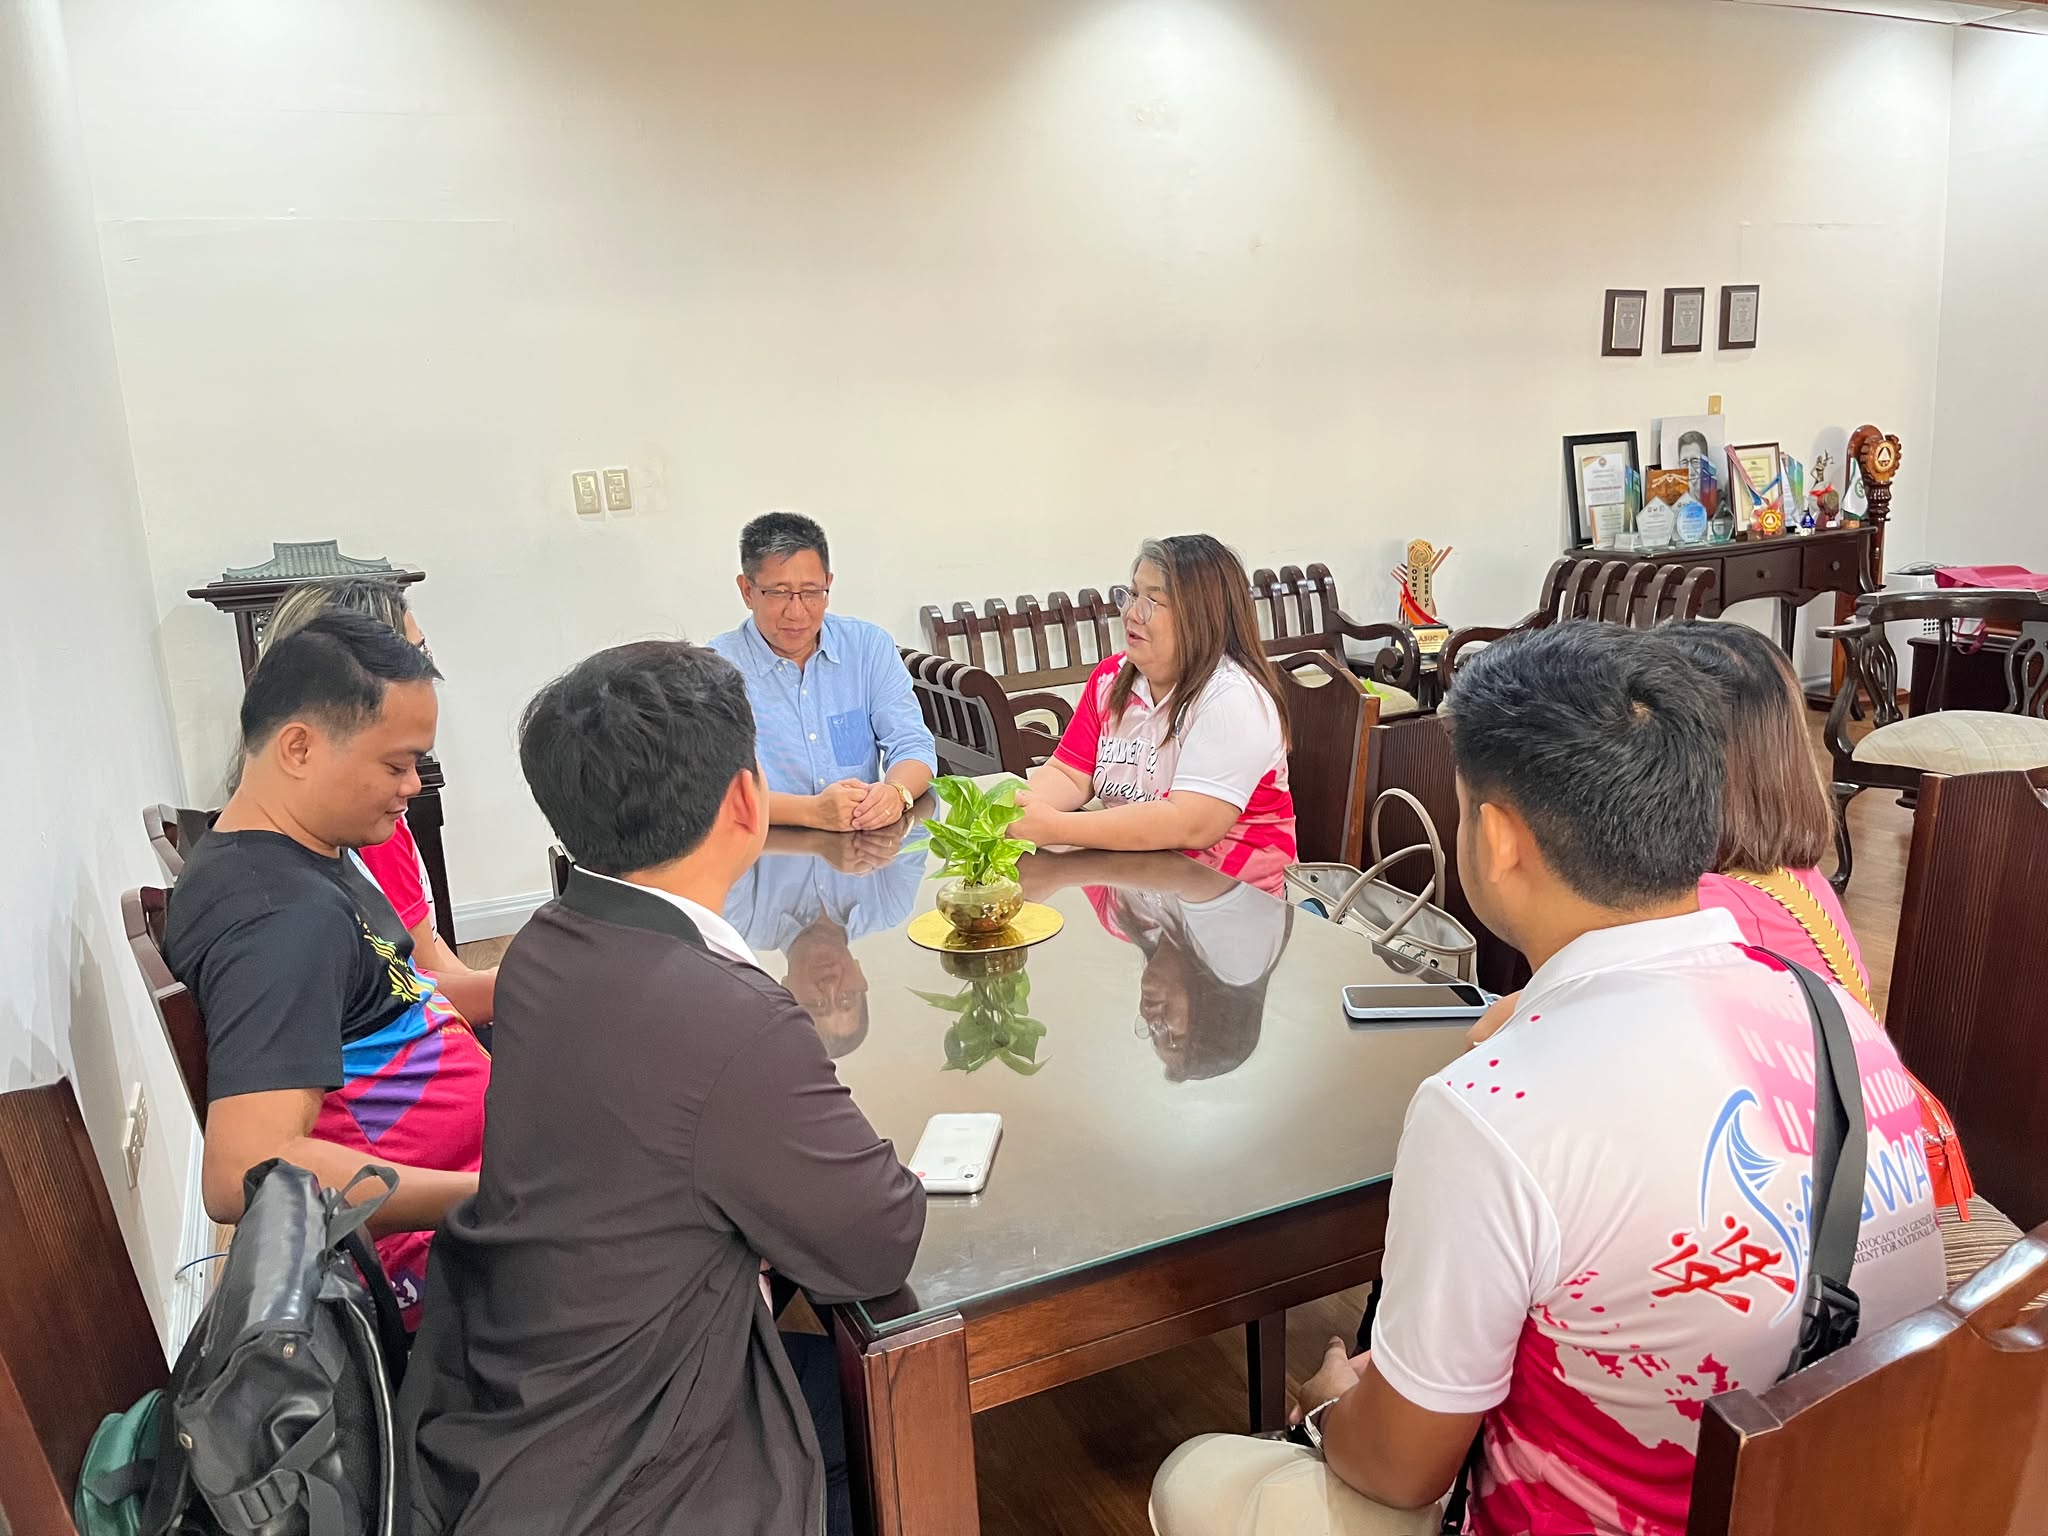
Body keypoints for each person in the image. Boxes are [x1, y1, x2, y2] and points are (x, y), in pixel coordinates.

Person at [1150, 622, 1944, 1536]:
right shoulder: (1831, 1010)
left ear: (1497, 839)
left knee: (1195, 1476)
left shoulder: (1494, 1106)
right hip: (1849, 1494)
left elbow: (1401, 1471)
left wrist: (1333, 1408)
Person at [399, 640, 925, 1536]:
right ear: (747, 800)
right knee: (905, 1408)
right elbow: (877, 1243)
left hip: (511, 1405)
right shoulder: (730, 1018)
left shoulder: (545, 943)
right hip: (640, 1462)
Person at [165, 611, 488, 1324]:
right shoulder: (281, 920)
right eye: (396, 765)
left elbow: (383, 995)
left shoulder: (299, 852)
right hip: (442, 1261)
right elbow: (244, 1171)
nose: (413, 785)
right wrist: (490, 1197)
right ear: (300, 747)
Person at [257, 576, 497, 1027]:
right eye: (417, 655)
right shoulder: (365, 829)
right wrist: (520, 988)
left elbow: (428, 954)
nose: (412, 785)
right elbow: (421, 981)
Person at [1011, 535, 1296, 896]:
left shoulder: (1233, 699)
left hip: (1229, 903)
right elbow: (1070, 774)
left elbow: (1189, 823)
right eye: (1132, 595)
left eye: (1152, 601)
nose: (1131, 613)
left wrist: (1055, 827)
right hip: (1136, 888)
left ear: (1200, 616)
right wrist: (1016, 811)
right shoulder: (1111, 678)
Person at [708, 511, 936, 832]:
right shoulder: (716, 669)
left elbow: (913, 743)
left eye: (812, 592)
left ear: (828, 584)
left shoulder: (867, 647)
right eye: (779, 592)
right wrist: (812, 812)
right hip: (762, 849)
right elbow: (711, 791)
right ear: (747, 590)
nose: (797, 611)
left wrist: (895, 793)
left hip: (860, 845)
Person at [1021, 850, 1291, 1081]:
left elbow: (1071, 846)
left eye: (1152, 1034)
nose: (1152, 1019)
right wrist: (1059, 871)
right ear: (1218, 1017)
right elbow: (1193, 873)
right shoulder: (1243, 965)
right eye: (1172, 1036)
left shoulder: (1121, 919)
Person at [725, 820, 927, 1058]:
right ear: (861, 978)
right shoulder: (889, 904)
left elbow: (727, 829)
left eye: (817, 1004)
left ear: (787, 992)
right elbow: (926, 816)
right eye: (845, 999)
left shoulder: (742, 921)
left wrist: (819, 842)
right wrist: (893, 817)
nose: (829, 986)